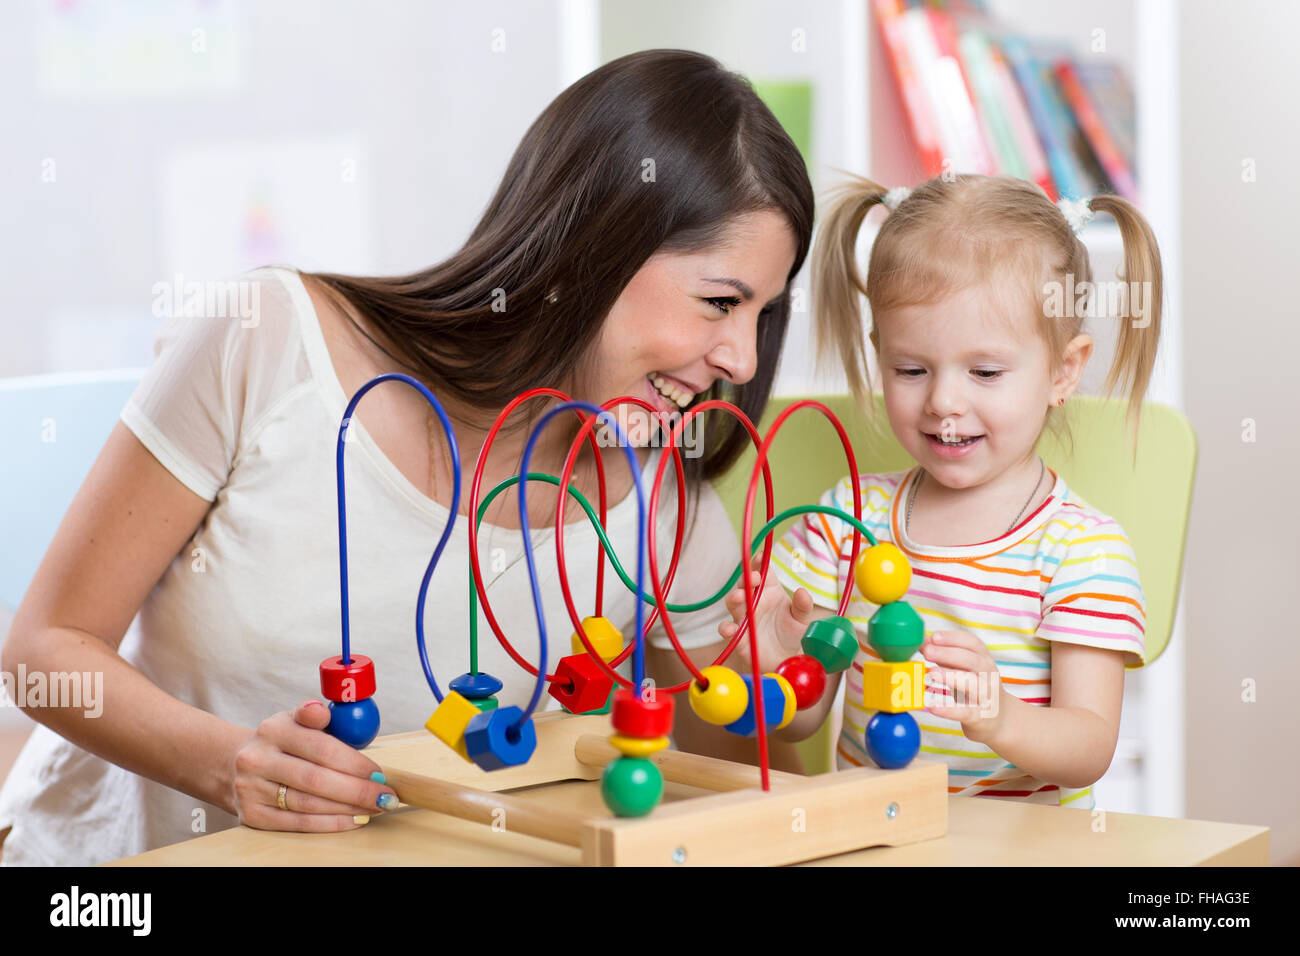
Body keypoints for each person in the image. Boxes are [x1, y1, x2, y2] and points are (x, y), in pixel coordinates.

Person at [0, 49, 814, 865]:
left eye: (763, 314)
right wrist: (226, 765)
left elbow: (715, 796)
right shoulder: (271, 339)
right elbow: (43, 648)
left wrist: (775, 692)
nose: (742, 359)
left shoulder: (666, 498)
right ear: (595, 246)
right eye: (719, 301)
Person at [719, 173, 1159, 808]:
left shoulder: (1083, 550)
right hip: (876, 840)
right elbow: (801, 722)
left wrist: (1001, 717)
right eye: (910, 369)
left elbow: (1088, 750)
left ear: (1064, 371)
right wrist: (774, 661)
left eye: (984, 371)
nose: (943, 400)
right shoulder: (846, 520)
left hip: (1021, 853)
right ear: (879, 354)